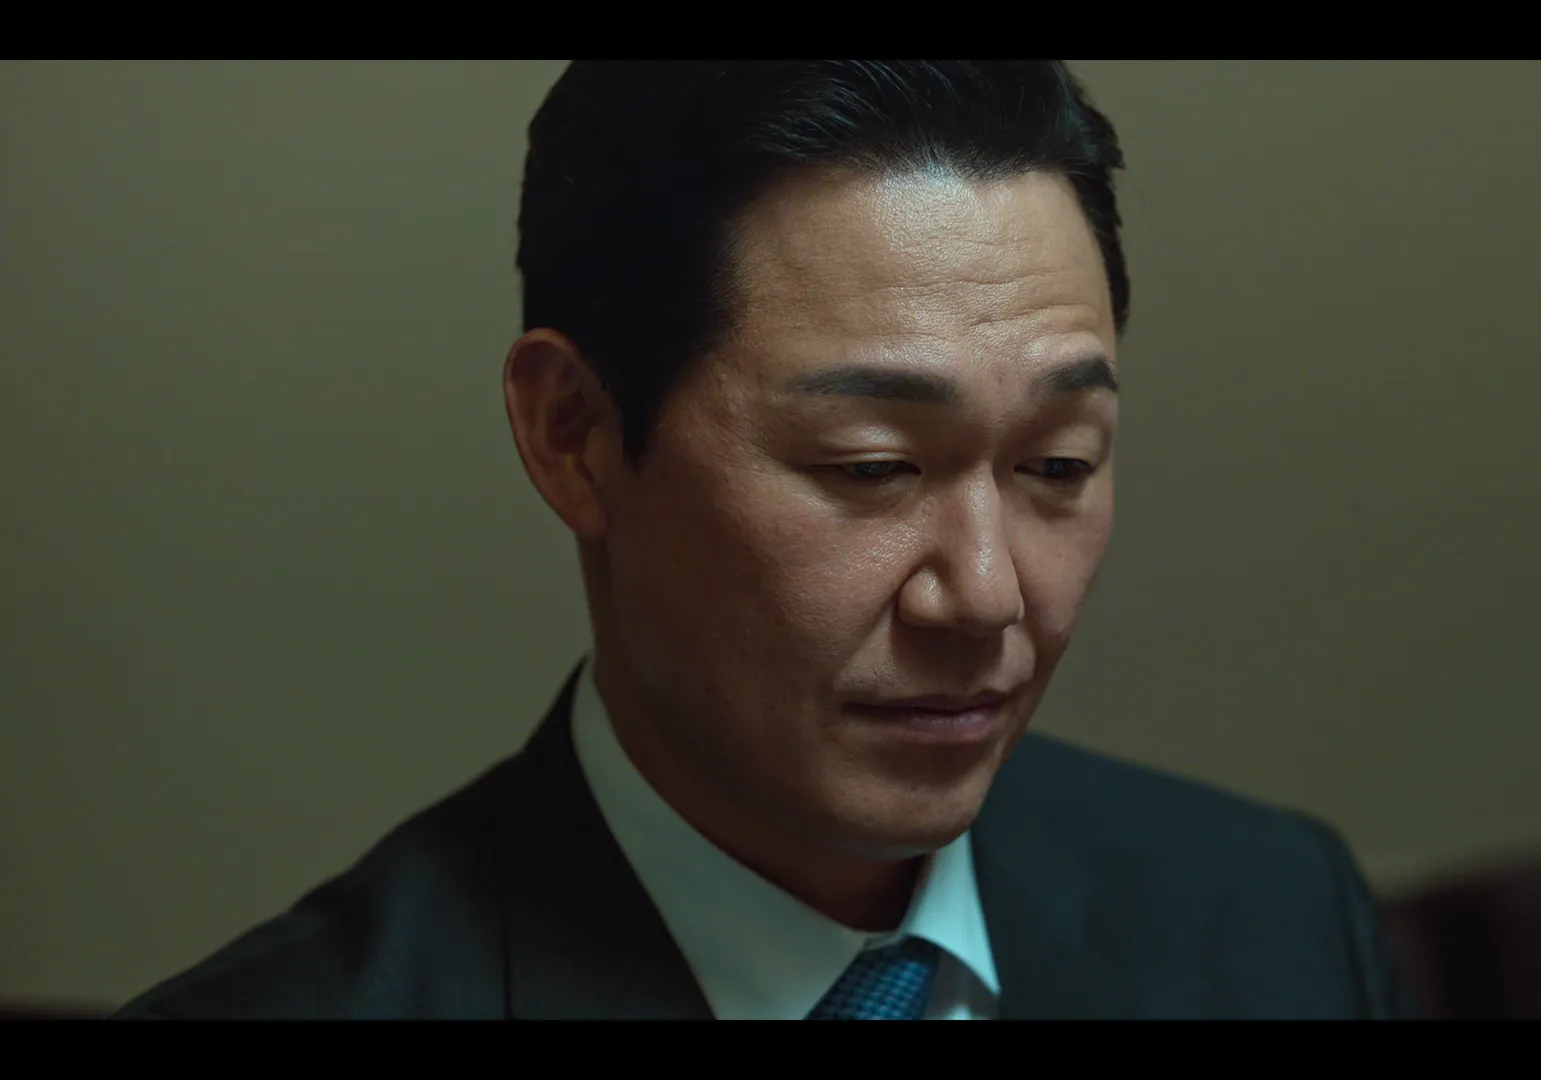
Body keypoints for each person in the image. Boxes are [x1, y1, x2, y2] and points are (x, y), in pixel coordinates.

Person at [116, 60, 1418, 1020]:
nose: (986, 595)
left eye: (1057, 465)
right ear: (574, 434)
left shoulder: (1273, 920)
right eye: (872, 467)